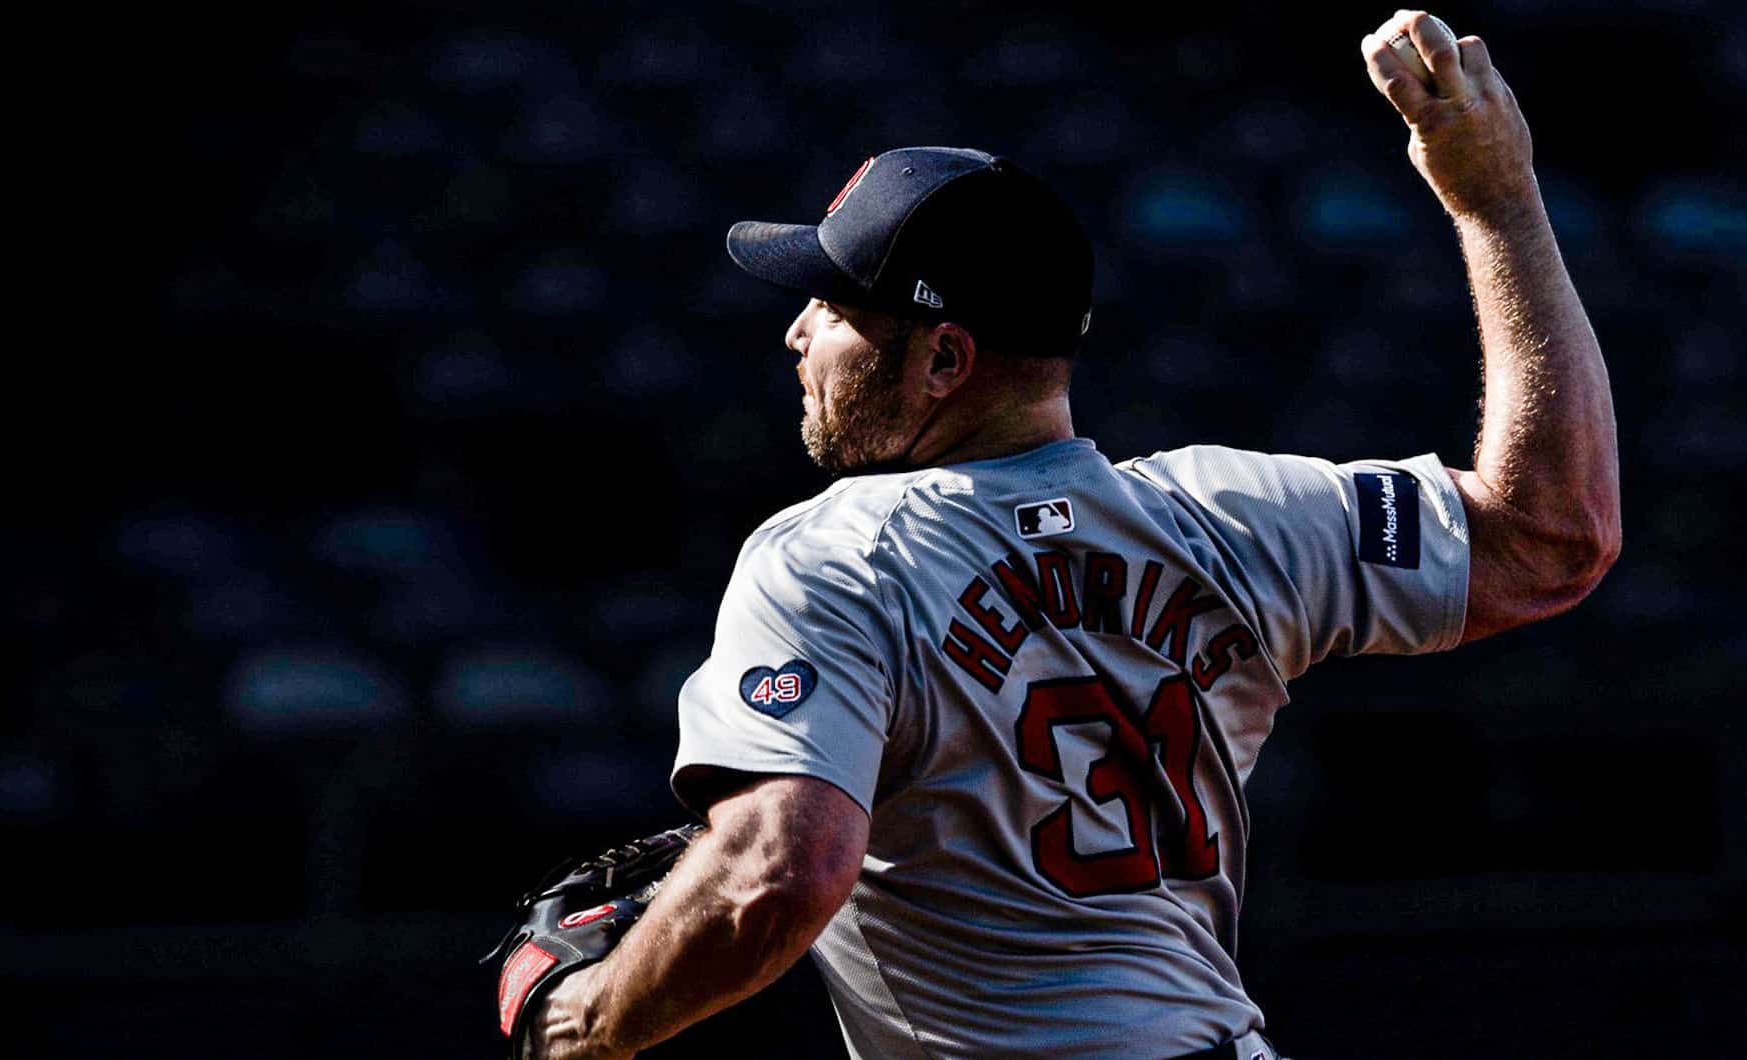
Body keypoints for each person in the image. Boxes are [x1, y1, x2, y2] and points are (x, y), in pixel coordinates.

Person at [527, 10, 1620, 1059]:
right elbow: (1553, 535)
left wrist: (591, 1022)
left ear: (945, 361)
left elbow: (781, 873)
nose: (798, 328)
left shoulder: (834, 554)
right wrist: (1500, 202)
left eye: (836, 305)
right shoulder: (1228, 518)